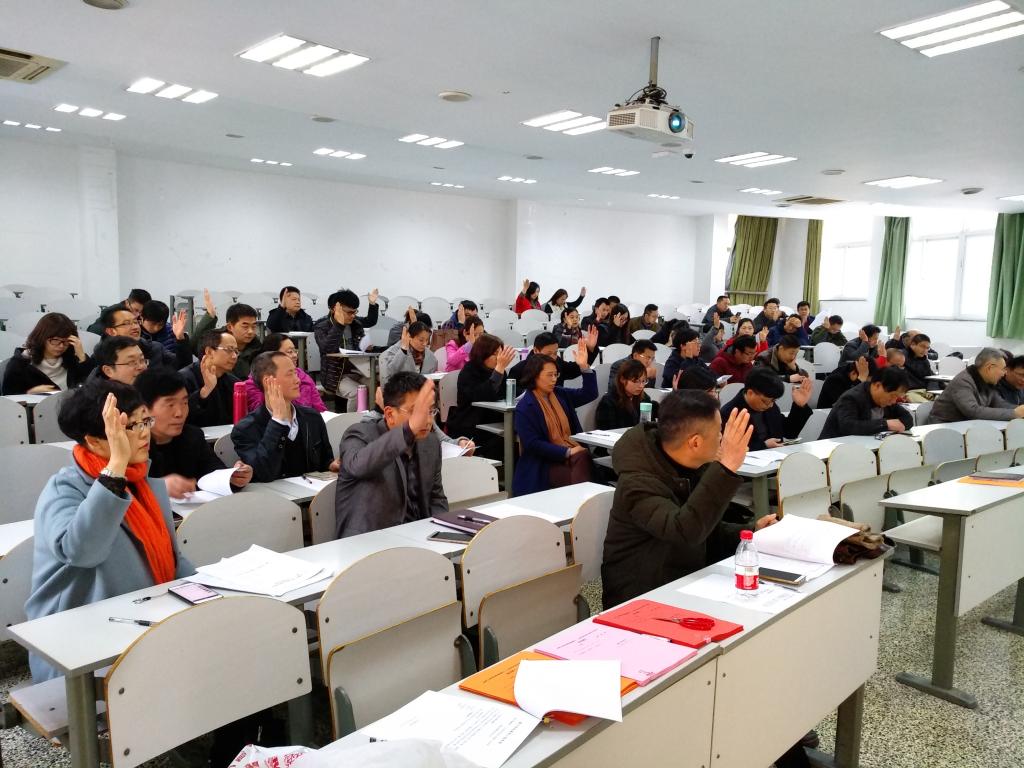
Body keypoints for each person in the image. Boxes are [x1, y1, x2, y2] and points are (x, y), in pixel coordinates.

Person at [25, 381, 194, 681]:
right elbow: (82, 552)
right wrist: (115, 468)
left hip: (143, 619)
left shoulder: (144, 485)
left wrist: (207, 595)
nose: (144, 433)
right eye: (131, 426)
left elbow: (173, 560)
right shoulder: (64, 489)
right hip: (79, 642)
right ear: (94, 441)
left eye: (145, 421)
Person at [601, 391, 779, 608]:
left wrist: (751, 532)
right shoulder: (637, 483)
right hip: (640, 597)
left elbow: (706, 532)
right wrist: (727, 467)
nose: (722, 438)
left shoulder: (690, 465)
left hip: (687, 580)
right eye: (718, 432)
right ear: (695, 442)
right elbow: (685, 532)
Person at [335, 373, 447, 536]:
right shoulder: (359, 434)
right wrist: (409, 429)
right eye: (416, 412)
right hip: (369, 541)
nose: (427, 420)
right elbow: (358, 465)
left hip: (419, 538)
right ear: (389, 414)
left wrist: (441, 533)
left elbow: (436, 499)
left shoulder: (431, 443)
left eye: (430, 411)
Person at [135, 369, 253, 499]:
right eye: (170, 405)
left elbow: (214, 472)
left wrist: (232, 477)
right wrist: (157, 487)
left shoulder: (193, 437)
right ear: (144, 410)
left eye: (184, 403)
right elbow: (125, 491)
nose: (179, 413)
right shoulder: (132, 445)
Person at [231, 351, 338, 481]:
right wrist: (278, 421)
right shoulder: (246, 428)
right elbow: (263, 473)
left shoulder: (312, 417)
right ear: (268, 381)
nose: (298, 380)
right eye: (289, 374)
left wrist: (331, 466)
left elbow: (325, 462)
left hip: (312, 492)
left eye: (296, 373)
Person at [512, 340, 598, 495]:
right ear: (535, 376)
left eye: (556, 375)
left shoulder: (560, 394)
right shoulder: (525, 406)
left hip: (571, 455)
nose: (554, 379)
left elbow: (589, 394)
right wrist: (567, 452)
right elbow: (533, 444)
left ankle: (582, 501)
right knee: (582, 459)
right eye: (549, 375)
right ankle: (584, 501)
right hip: (543, 463)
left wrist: (584, 367)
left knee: (582, 457)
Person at [446, 334, 518, 460]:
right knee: (500, 443)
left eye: (501, 353)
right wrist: (499, 369)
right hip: (471, 423)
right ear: (482, 354)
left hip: (495, 419)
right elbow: (483, 395)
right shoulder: (469, 370)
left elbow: (503, 395)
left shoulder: (500, 371)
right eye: (495, 354)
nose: (499, 358)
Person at [314, 288, 380, 411]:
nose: (353, 315)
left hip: (358, 370)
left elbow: (369, 324)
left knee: (375, 384)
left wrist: (366, 347)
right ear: (335, 309)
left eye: (355, 312)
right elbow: (327, 349)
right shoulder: (322, 327)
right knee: (356, 392)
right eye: (349, 312)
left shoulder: (355, 324)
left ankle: (369, 417)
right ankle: (352, 421)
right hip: (335, 376)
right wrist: (339, 325)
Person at [1, 312, 94, 394]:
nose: (61, 346)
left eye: (66, 341)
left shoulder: (73, 360)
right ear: (42, 338)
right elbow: (9, 396)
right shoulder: (20, 364)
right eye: (55, 340)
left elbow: (93, 387)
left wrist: (82, 357)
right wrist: (30, 393)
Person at [721, 368, 813, 451]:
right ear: (750, 393)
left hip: (776, 456)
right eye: (765, 401)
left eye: (774, 401)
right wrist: (763, 445)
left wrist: (799, 406)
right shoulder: (729, 413)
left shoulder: (769, 404)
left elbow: (790, 432)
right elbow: (726, 448)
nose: (771, 405)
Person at [927, 348, 1024, 424]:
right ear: (990, 368)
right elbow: (973, 411)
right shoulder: (963, 381)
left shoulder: (988, 381)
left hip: (966, 425)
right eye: (1002, 369)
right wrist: (1014, 413)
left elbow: (999, 404)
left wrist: (1020, 410)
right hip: (943, 426)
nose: (1004, 374)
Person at [819, 367, 913, 438]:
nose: (894, 401)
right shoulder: (851, 398)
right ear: (878, 386)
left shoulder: (887, 400)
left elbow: (908, 419)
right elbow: (847, 426)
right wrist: (885, 424)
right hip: (833, 450)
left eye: (897, 397)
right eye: (893, 396)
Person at [244, 333, 326, 413]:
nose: (295, 355)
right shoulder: (254, 383)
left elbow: (320, 408)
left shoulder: (302, 375)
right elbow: (260, 413)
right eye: (289, 352)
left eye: (295, 351)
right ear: (272, 355)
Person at [100, 304, 190, 370]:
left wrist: (180, 338)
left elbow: (183, 367)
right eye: (126, 323)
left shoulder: (155, 348)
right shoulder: (102, 356)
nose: (135, 327)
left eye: (135, 322)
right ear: (111, 331)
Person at [179, 329, 240, 427]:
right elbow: (180, 417)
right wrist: (204, 391)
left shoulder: (234, 383)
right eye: (229, 350)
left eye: (236, 351)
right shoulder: (183, 379)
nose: (234, 356)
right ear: (209, 351)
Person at [191, 293, 261, 377]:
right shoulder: (216, 341)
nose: (250, 331)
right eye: (245, 326)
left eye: (254, 326)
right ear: (230, 327)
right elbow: (195, 347)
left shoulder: (257, 347)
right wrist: (209, 317)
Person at [507, 329, 597, 387]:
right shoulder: (519, 369)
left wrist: (590, 349)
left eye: (555, 353)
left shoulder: (558, 362)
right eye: (548, 354)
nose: (552, 358)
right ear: (536, 350)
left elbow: (574, 370)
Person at [596, 359, 657, 430]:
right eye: (636, 381)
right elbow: (607, 431)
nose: (641, 386)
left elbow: (651, 427)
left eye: (643, 381)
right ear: (622, 379)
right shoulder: (608, 402)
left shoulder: (644, 398)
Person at [379, 321, 439, 386]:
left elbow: (432, 376)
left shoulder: (430, 355)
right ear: (409, 337)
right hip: (400, 389)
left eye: (427, 340)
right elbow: (390, 374)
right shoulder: (393, 351)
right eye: (421, 340)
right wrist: (403, 350)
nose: (425, 344)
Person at [85, 288, 152, 335]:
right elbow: (95, 331)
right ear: (127, 303)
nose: (137, 315)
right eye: (136, 310)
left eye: (141, 312)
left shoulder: (143, 314)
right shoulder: (111, 313)